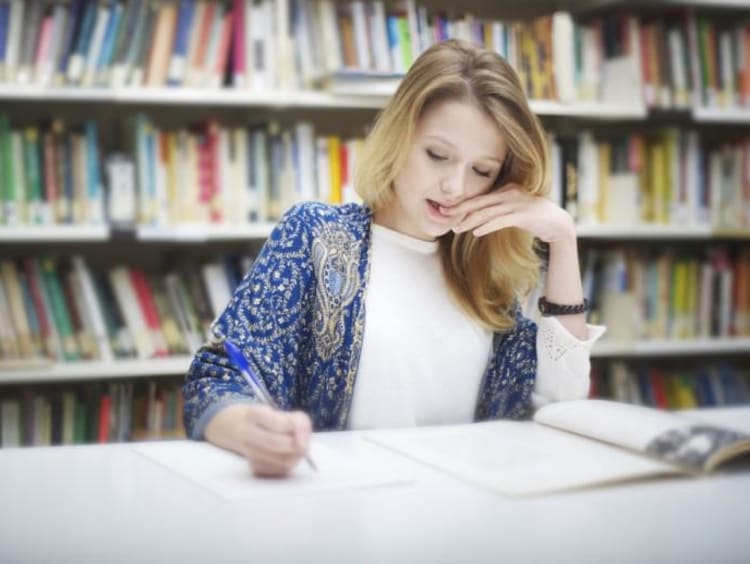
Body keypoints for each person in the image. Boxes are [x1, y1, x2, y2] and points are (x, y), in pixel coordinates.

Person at [182, 39, 605, 477]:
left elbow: (558, 407)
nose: (455, 187)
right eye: (438, 156)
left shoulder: (487, 274)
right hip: (342, 512)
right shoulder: (318, 236)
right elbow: (215, 380)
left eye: (482, 170)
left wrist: (563, 241)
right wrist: (248, 429)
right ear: (400, 137)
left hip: (460, 520)